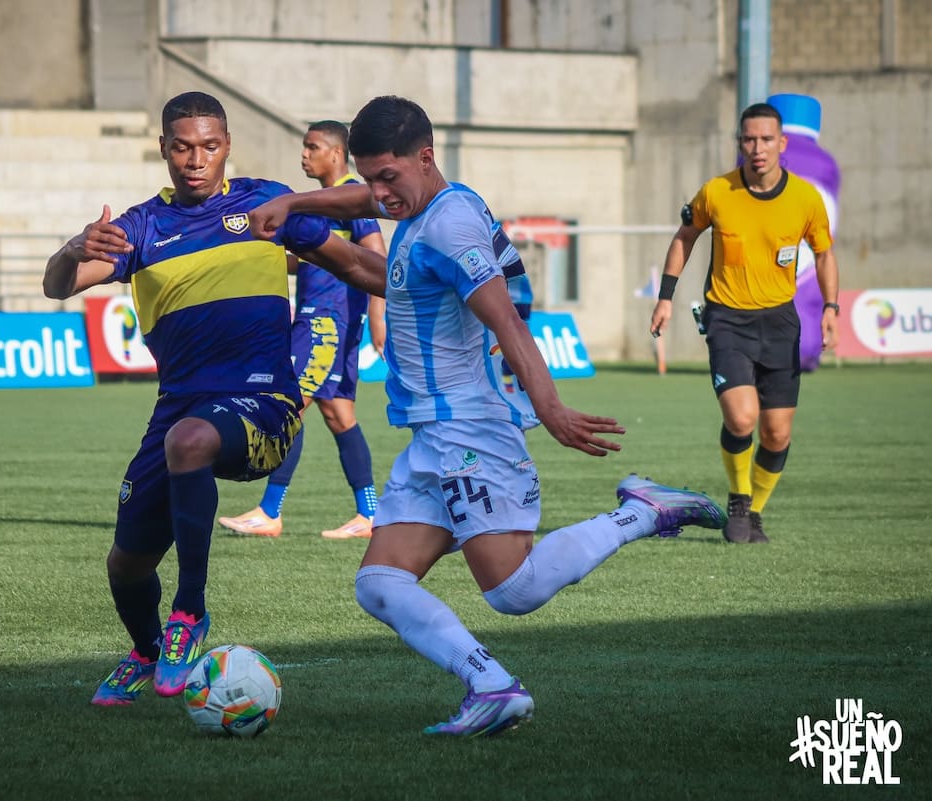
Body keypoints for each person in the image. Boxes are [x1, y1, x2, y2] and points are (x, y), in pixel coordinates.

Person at [248, 95, 728, 737]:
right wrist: (300, 206)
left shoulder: (449, 228)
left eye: (389, 177)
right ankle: (492, 686)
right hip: (431, 438)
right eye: (370, 178)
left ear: (426, 157)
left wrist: (552, 409)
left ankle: (639, 511)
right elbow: (366, 215)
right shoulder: (436, 202)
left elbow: (504, 319)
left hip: (470, 431)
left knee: (513, 591)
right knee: (381, 583)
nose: (379, 193)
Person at [42, 92, 384, 706]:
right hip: (178, 407)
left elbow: (358, 263)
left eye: (208, 146)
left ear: (227, 146)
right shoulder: (141, 226)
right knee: (125, 564)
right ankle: (146, 651)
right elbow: (58, 287)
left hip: (265, 405)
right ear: (165, 149)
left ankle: (189, 613)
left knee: (191, 440)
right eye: (182, 147)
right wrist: (73, 249)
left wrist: (425, 287)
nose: (195, 160)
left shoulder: (263, 203)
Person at [649, 102, 839, 545]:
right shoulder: (717, 192)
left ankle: (754, 513)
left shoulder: (805, 199)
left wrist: (832, 307)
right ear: (740, 143)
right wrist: (665, 298)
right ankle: (738, 498)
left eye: (766, 140)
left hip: (780, 323)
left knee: (777, 433)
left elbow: (826, 253)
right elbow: (685, 237)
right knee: (742, 419)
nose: (757, 148)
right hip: (728, 320)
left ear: (782, 144)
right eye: (749, 139)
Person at [218, 121, 387, 540]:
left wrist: (379, 317)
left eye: (312, 147)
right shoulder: (322, 201)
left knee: (289, 407)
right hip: (326, 319)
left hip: (325, 322)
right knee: (339, 414)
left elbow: (375, 252)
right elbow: (314, 259)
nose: (304, 155)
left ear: (335, 153)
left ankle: (270, 511)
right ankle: (369, 514)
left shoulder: (347, 196)